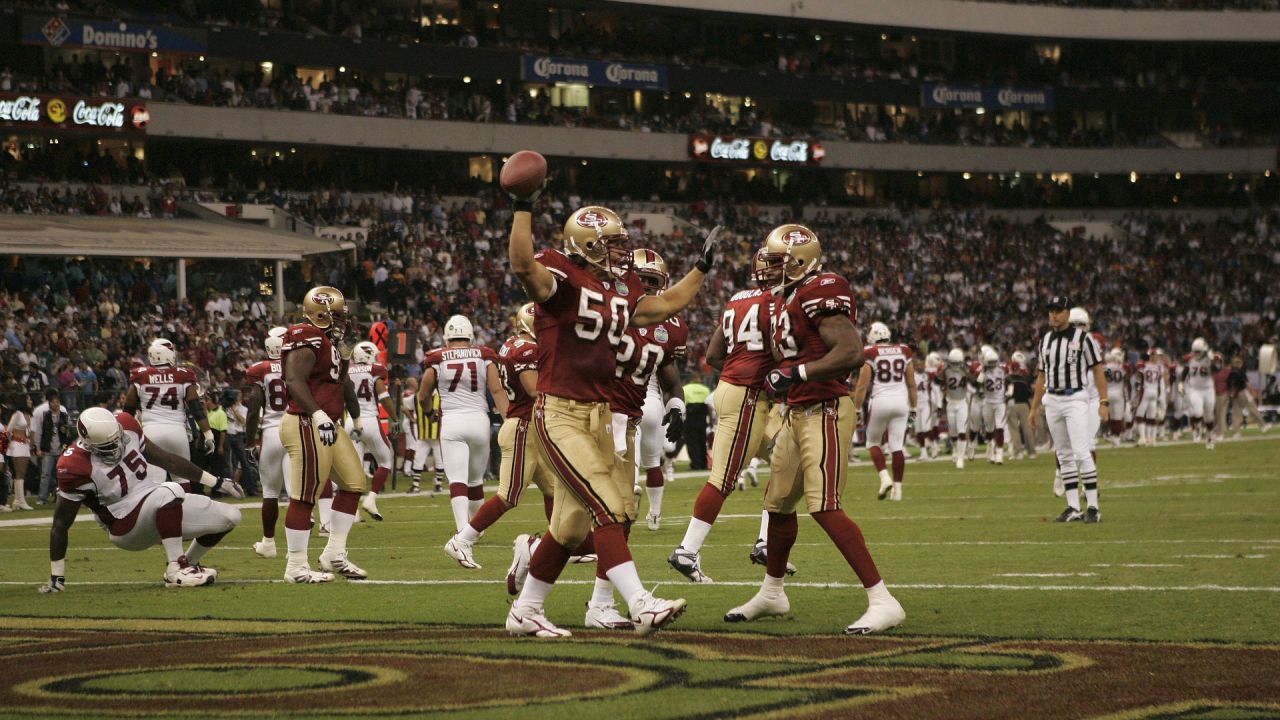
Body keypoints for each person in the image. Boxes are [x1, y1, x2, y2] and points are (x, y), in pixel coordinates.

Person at [505, 194, 718, 638]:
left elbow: (660, 308)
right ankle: (640, 603)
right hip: (561, 411)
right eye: (611, 244)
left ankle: (526, 610)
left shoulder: (618, 288)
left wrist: (700, 271)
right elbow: (524, 265)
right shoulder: (559, 272)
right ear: (585, 244)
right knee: (606, 504)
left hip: (602, 414)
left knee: (569, 527)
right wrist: (523, 205)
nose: (621, 251)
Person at [725, 223, 905, 636]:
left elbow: (851, 351)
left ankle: (882, 599)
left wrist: (797, 372)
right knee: (776, 506)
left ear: (800, 262)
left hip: (825, 406)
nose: (767, 268)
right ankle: (772, 592)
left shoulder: (820, 290)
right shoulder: (784, 298)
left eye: (776, 261)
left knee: (823, 505)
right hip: (798, 409)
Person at [41, 407, 244, 593]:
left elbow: (169, 460)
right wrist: (57, 577)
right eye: (107, 445)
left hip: (154, 502)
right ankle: (176, 568)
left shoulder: (127, 424)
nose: (116, 446)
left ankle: (187, 564)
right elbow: (60, 524)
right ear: (88, 442)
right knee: (170, 490)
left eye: (117, 439)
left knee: (231, 516)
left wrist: (217, 482)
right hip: (125, 525)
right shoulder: (73, 465)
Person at [670, 250, 774, 583]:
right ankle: (687, 551)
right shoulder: (779, 301)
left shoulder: (736, 299)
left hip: (733, 387)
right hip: (749, 394)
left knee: (790, 463)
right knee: (724, 478)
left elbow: (714, 354)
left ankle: (769, 542)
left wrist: (736, 372)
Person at [278, 285, 370, 583]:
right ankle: (296, 566)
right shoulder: (305, 336)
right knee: (305, 495)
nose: (345, 319)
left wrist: (342, 347)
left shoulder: (330, 340)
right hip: (307, 421)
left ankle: (334, 554)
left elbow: (341, 382)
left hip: (330, 421)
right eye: (339, 314)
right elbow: (294, 379)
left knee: (354, 483)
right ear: (321, 314)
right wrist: (317, 414)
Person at [617, 249, 689, 533]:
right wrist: (677, 406)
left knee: (626, 465)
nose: (646, 284)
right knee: (652, 462)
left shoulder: (612, 307)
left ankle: (624, 511)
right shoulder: (672, 323)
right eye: (642, 278)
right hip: (653, 400)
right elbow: (671, 378)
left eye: (650, 279)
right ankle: (655, 516)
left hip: (623, 401)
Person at [420, 314, 505, 540]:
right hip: (479, 420)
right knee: (475, 481)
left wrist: (429, 413)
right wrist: (509, 419)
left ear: (447, 336)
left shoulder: (437, 358)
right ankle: (477, 529)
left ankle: (462, 529)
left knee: (457, 479)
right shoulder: (484, 355)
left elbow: (422, 394)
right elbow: (496, 390)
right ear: (470, 334)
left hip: (452, 421)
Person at [1030, 295, 1109, 524]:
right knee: (1063, 455)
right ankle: (1073, 507)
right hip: (1052, 399)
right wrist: (1034, 408)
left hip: (1075, 397)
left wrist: (1103, 402)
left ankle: (1093, 506)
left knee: (1082, 452)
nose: (1053, 314)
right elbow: (1041, 375)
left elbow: (1098, 371)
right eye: (1051, 310)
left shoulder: (1083, 339)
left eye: (1058, 310)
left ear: (1067, 314)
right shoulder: (1045, 340)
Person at [124, 339, 214, 471]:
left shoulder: (140, 375)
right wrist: (208, 433)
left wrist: (127, 433)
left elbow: (128, 409)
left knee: (154, 481)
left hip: (150, 432)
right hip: (177, 431)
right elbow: (196, 408)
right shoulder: (183, 375)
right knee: (182, 477)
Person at [853, 322, 916, 501]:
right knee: (897, 446)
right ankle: (898, 491)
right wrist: (914, 407)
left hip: (880, 401)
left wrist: (857, 408)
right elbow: (911, 383)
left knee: (872, 442)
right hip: (901, 402)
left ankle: (884, 477)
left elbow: (862, 385)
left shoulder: (870, 352)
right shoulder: (904, 350)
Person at [244, 327, 289, 558]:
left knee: (270, 493)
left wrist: (250, 441)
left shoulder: (261, 370)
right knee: (298, 495)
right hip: (295, 430)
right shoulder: (300, 366)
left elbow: (253, 409)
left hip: (271, 432)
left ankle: (269, 542)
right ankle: (296, 549)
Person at [347, 340, 398, 521]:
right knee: (385, 460)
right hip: (368, 419)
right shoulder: (373, 370)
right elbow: (383, 397)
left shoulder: (345, 370)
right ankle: (371, 499)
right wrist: (395, 418)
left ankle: (353, 513)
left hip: (349, 421)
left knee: (354, 470)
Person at [941, 348, 976, 469]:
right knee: (953, 433)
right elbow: (937, 380)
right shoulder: (946, 371)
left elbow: (975, 382)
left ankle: (961, 458)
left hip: (962, 404)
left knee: (961, 431)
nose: (955, 365)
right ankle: (955, 449)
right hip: (950, 404)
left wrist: (967, 372)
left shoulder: (964, 371)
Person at [1181, 338, 1219, 450]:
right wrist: (1181, 382)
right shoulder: (1190, 359)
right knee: (1197, 412)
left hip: (1208, 390)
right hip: (1195, 389)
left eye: (1198, 351)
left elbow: (1217, 369)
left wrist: (1212, 361)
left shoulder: (1211, 358)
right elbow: (1185, 370)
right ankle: (1197, 429)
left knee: (1209, 416)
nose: (1196, 354)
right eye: (1195, 351)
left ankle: (1210, 437)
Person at [978, 347, 1007, 465]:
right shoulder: (982, 371)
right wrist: (982, 372)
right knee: (989, 430)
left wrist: (1009, 390)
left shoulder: (1003, 370)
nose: (993, 365)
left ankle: (999, 454)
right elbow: (978, 383)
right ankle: (990, 450)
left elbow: (1009, 380)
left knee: (1000, 428)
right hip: (988, 402)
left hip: (1000, 402)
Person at [1226, 355, 1270, 435]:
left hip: (1235, 394)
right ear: (1239, 363)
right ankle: (1263, 425)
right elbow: (1247, 383)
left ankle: (1236, 432)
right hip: (1243, 392)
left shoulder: (1231, 371)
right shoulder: (1240, 371)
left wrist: (1231, 393)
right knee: (1253, 408)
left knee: (1236, 413)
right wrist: (1253, 392)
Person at [1005, 351, 1036, 459]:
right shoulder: (1024, 379)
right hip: (1024, 405)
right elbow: (1030, 393)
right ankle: (1031, 452)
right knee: (1027, 429)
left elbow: (1008, 394)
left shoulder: (1008, 379)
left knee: (1014, 430)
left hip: (1012, 405)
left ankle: (1018, 452)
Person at [5, 394, 32, 510]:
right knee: (19, 473)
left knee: (22, 473)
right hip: (16, 446)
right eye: (28, 399)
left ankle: (17, 500)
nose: (30, 401)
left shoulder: (28, 415)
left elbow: (29, 431)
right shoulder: (17, 414)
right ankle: (20, 501)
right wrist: (13, 441)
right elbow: (8, 430)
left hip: (25, 446)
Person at [681, 376, 711, 470]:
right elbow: (709, 405)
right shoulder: (706, 389)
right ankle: (704, 463)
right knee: (702, 441)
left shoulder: (685, 389)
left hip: (691, 418)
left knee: (692, 442)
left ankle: (695, 464)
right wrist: (710, 419)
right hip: (702, 418)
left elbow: (683, 405)